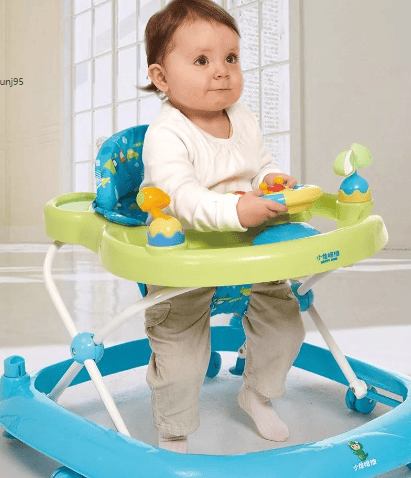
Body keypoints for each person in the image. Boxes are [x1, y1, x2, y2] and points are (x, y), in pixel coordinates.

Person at [139, 0, 305, 453]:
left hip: (248, 247)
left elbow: (258, 166)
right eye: (201, 60)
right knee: (180, 356)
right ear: (162, 78)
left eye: (231, 58)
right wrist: (236, 212)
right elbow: (182, 197)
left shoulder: (243, 118)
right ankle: (173, 430)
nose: (222, 71)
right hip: (185, 258)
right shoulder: (166, 134)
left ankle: (257, 393)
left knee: (285, 326)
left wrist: (271, 181)